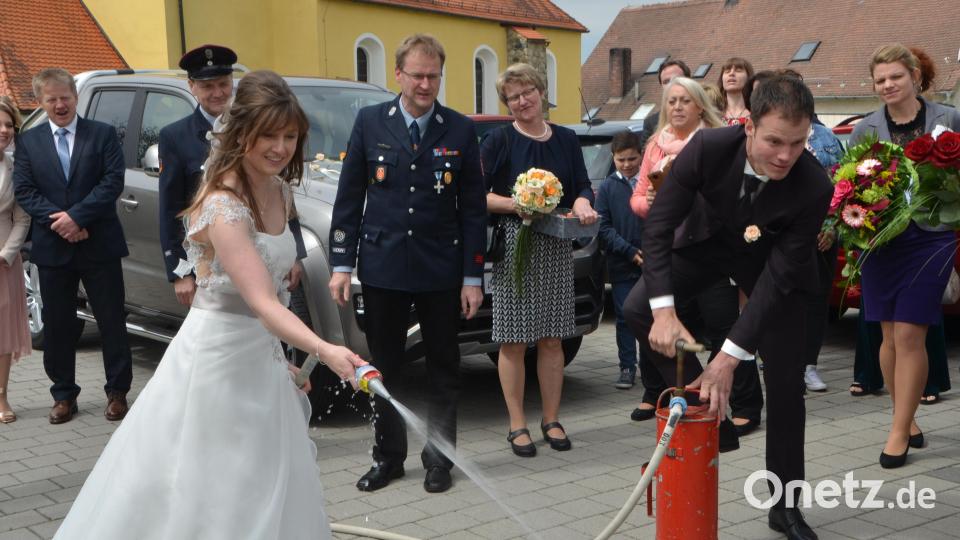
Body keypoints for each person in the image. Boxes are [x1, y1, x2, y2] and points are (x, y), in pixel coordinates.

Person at [54, 70, 367, 539]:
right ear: (241, 134)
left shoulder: (280, 190)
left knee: (263, 474)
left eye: (289, 136)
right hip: (216, 362)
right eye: (268, 135)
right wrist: (326, 351)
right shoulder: (222, 204)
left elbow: (277, 293)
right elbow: (261, 301)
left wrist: (282, 359)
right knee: (210, 479)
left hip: (259, 357)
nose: (280, 148)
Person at [623, 75, 832, 540]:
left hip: (774, 274)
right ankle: (706, 405)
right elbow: (658, 227)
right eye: (775, 141)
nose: (785, 156)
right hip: (705, 248)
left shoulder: (813, 185)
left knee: (784, 387)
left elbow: (777, 281)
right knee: (638, 307)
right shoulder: (708, 147)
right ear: (749, 126)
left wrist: (728, 359)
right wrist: (664, 313)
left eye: (798, 144)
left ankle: (785, 506)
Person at [328, 34, 486, 493]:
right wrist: (342, 264)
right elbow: (349, 198)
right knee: (386, 368)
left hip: (441, 270)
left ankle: (440, 458)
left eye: (433, 76)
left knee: (443, 366)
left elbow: (473, 209)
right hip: (383, 268)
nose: (425, 84)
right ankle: (388, 457)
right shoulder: (370, 122)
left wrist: (472, 277)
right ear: (397, 74)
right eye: (417, 75)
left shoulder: (459, 129)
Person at [629, 78, 763, 441]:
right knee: (649, 314)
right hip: (675, 244)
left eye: (684, 100)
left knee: (724, 328)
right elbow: (638, 197)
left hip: (718, 243)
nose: (676, 107)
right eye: (670, 101)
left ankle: (748, 406)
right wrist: (655, 203)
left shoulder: (714, 140)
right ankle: (700, 400)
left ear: (700, 105)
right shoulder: (655, 145)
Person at [849, 44, 960, 469]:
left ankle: (896, 432)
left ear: (915, 75)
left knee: (912, 333)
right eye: (880, 80)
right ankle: (906, 417)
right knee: (889, 335)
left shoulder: (947, 119)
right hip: (882, 243)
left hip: (931, 240)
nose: (888, 85)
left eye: (895, 76)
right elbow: (851, 188)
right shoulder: (865, 129)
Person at [480, 63, 597, 458]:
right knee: (513, 339)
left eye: (527, 91)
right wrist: (519, 204)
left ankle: (551, 418)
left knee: (552, 337)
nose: (521, 101)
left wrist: (582, 202)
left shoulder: (564, 137)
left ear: (541, 91)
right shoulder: (499, 141)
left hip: (557, 244)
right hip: (517, 242)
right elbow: (477, 196)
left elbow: (581, 185)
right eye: (512, 97)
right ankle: (516, 423)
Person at [13, 68, 133, 424]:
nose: (60, 104)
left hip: (100, 244)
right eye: (51, 99)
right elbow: (26, 191)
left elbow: (112, 182)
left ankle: (117, 392)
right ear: (40, 102)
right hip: (53, 248)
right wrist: (61, 222)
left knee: (111, 320)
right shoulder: (29, 141)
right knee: (58, 324)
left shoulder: (103, 134)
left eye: (65, 97)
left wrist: (78, 218)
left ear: (75, 97)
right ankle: (63, 395)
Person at [159, 44, 307, 306]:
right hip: (215, 268)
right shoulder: (175, 137)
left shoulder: (268, 128)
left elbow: (279, 193)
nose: (218, 93)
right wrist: (179, 271)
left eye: (223, 84)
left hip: (265, 255)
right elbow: (171, 208)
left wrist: (293, 252)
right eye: (208, 86)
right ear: (192, 86)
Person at [748, 69, 844, 393]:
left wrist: (830, 228)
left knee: (816, 301)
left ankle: (808, 364)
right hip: (778, 234)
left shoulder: (825, 138)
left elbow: (840, 186)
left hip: (820, 235)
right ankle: (770, 356)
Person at [596, 130, 647, 391]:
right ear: (613, 158)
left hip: (651, 261)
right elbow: (603, 228)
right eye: (621, 160)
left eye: (631, 159)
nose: (627, 165)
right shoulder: (607, 188)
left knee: (652, 314)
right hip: (622, 262)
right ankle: (627, 366)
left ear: (641, 156)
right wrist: (629, 251)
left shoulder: (650, 182)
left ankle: (653, 366)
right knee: (626, 316)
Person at [0, 96, 30, 423]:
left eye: (9, 124)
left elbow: (23, 219)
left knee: (2, 334)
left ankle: (2, 398)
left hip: (4, 261)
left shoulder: (15, 168)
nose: (4, 129)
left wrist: (6, 255)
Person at [642, 59, 691, 139]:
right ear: (661, 86)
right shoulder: (651, 123)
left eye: (676, 79)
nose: (671, 84)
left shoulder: (704, 116)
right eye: (666, 82)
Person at [718, 57, 754, 126]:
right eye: (727, 71)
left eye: (738, 70)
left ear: (748, 77)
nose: (731, 73)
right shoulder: (713, 116)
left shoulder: (757, 117)